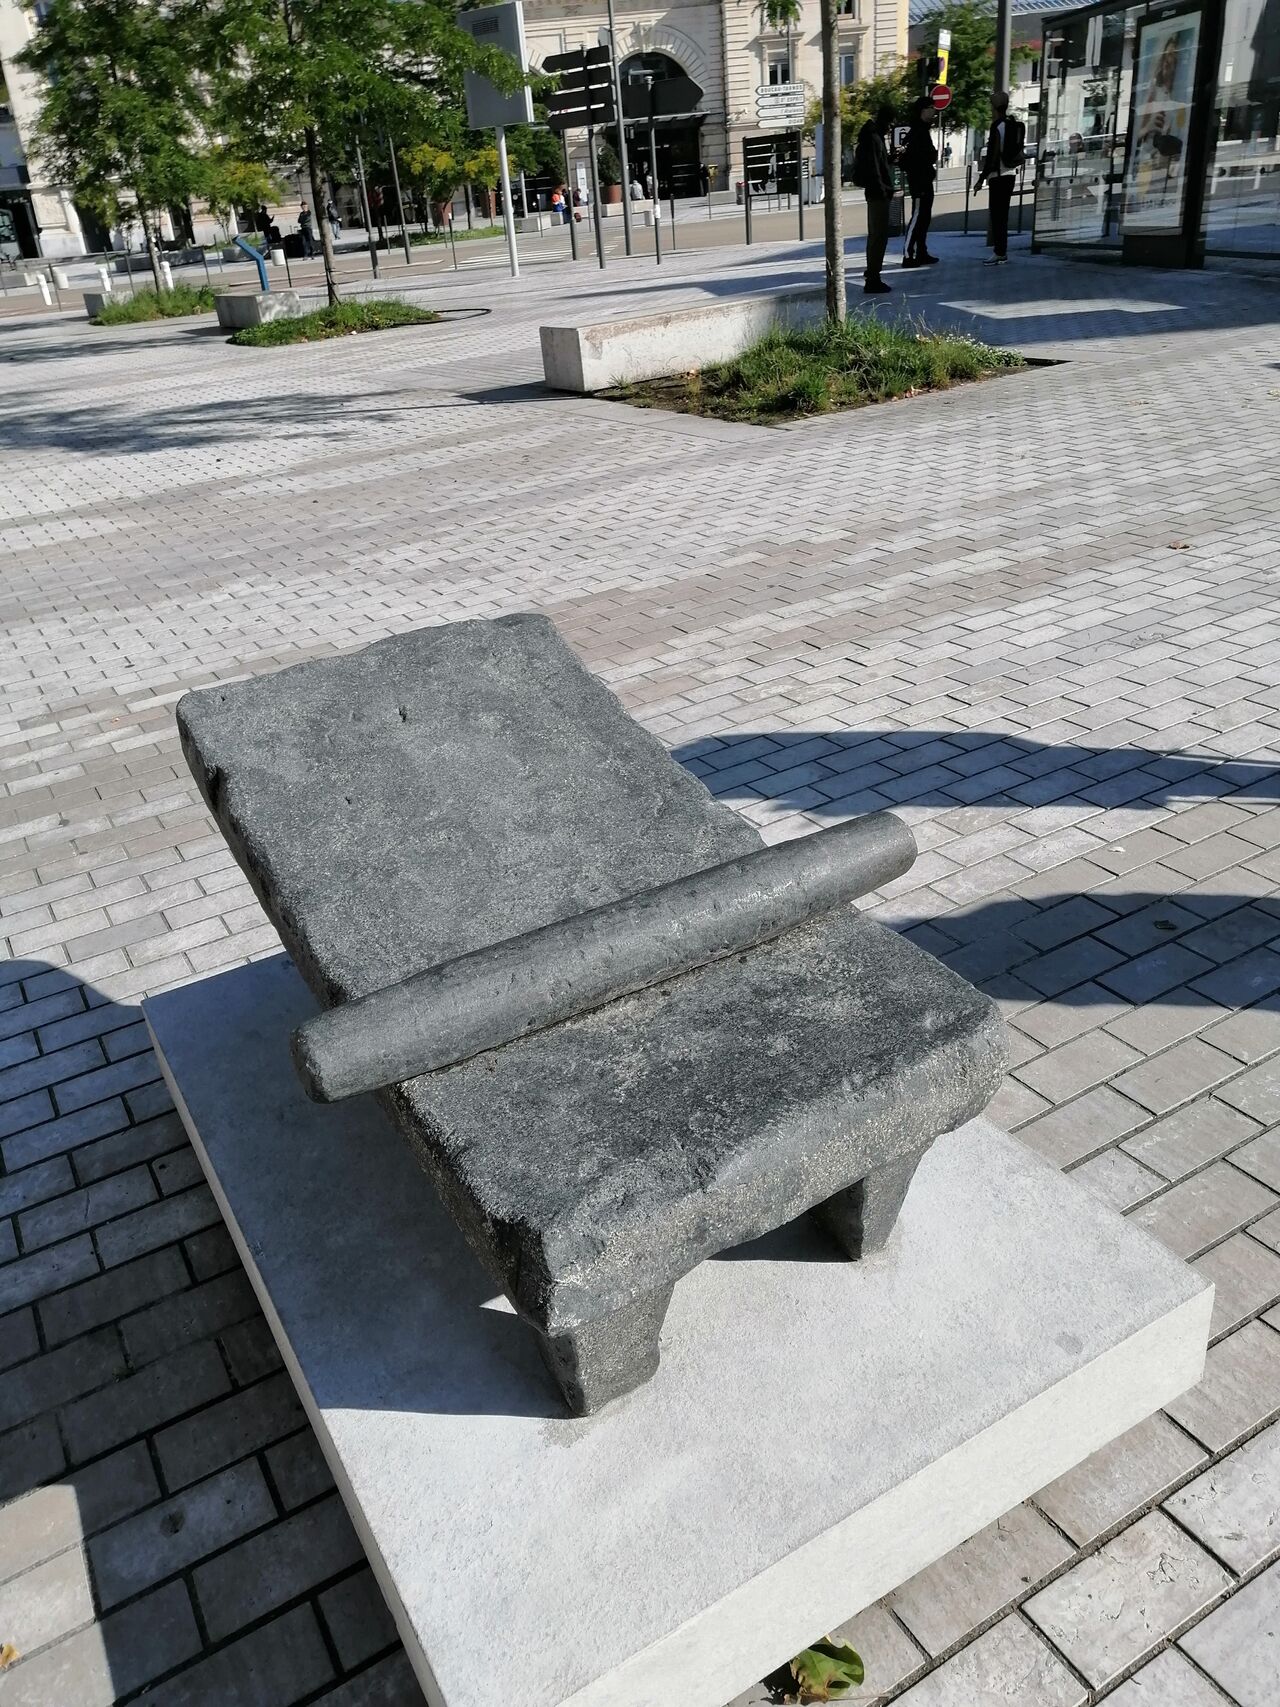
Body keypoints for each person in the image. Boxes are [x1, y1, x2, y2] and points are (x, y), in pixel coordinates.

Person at [975, 90, 1023, 265]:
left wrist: (981, 179)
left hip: (998, 175)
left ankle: (999, 252)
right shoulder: (1011, 123)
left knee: (997, 215)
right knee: (1003, 214)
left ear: (994, 107)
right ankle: (1002, 250)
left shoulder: (997, 127)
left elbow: (993, 157)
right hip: (1010, 174)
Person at [853, 104, 896, 294]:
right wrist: (885, 190)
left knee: (877, 236)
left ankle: (873, 275)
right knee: (879, 237)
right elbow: (875, 170)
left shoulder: (874, 137)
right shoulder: (874, 139)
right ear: (886, 121)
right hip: (878, 194)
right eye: (891, 123)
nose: (891, 127)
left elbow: (879, 165)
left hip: (876, 193)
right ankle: (873, 277)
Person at [901, 98, 939, 267]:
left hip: (924, 180)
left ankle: (921, 252)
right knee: (917, 217)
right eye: (931, 108)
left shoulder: (922, 130)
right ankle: (908, 255)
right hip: (919, 182)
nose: (934, 111)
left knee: (924, 218)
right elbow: (917, 157)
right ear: (923, 110)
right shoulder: (916, 132)